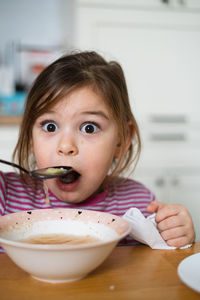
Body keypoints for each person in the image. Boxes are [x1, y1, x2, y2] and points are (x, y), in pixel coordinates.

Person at [0, 51, 195, 249]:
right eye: (50, 126)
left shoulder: (138, 203)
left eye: (89, 128)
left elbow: (158, 265)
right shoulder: (5, 194)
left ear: (121, 140)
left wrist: (174, 234)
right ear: (31, 138)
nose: (66, 146)